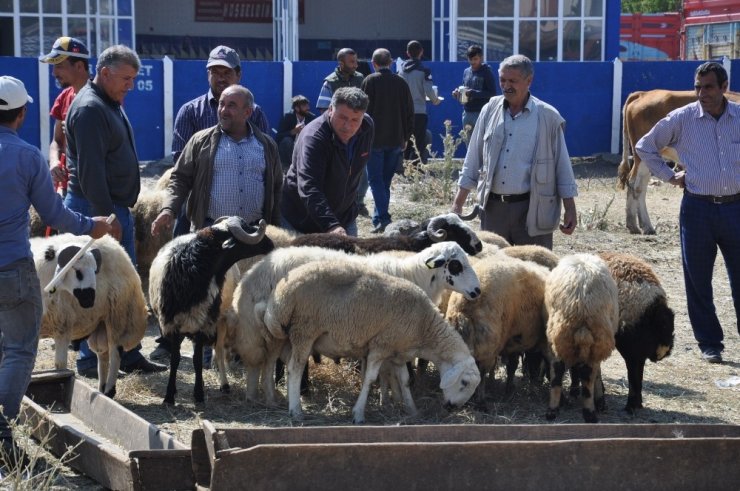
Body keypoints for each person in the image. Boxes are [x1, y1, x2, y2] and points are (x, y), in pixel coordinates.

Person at [0, 75, 112, 470]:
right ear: (23, 113)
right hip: (12, 268)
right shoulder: (28, 157)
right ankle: (1, 432)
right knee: (18, 349)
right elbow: (55, 215)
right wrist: (92, 225)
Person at [64, 45, 167, 376]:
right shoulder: (90, 109)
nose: (130, 86)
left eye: (134, 79)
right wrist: (106, 219)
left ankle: (129, 352)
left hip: (111, 209)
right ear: (105, 73)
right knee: (92, 286)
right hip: (95, 210)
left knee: (122, 285)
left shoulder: (107, 102)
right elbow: (91, 172)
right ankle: (88, 360)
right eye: (126, 78)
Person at [635, 61, 740, 365]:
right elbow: (645, 146)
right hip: (697, 209)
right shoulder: (682, 119)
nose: (701, 93)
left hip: (735, 207)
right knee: (698, 279)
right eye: (697, 87)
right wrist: (669, 175)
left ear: (723, 88)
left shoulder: (738, 118)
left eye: (708, 87)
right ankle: (710, 343)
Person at [451, 54, 578, 250]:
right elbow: (473, 157)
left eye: (513, 81)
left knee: (534, 274)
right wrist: (458, 203)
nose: (506, 86)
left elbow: (562, 165)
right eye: (502, 80)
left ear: (529, 81)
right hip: (493, 211)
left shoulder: (548, 117)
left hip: (532, 210)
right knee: (495, 273)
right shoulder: (489, 110)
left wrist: (570, 208)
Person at [151, 84, 282, 234]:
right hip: (211, 231)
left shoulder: (267, 145)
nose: (223, 111)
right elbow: (180, 178)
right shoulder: (200, 141)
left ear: (247, 112)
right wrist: (168, 209)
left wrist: (275, 227)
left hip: (253, 232)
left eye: (231, 106)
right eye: (221, 104)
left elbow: (276, 187)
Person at [281, 87, 373, 236]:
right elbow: (309, 186)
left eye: (355, 120)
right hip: (301, 221)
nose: (348, 126)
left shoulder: (367, 127)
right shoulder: (314, 137)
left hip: (344, 216)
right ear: (330, 110)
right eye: (342, 117)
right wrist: (331, 225)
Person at [360, 48, 414, 233]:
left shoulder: (369, 81)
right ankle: (380, 217)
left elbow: (361, 111)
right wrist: (405, 137)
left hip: (374, 140)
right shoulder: (401, 82)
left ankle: (383, 218)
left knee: (376, 181)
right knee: (385, 181)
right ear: (390, 62)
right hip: (395, 139)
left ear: (374, 64)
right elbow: (409, 112)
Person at [315, 48, 369, 216]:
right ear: (341, 63)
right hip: (336, 138)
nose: (356, 65)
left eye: (356, 61)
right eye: (352, 62)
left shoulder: (361, 79)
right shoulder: (329, 82)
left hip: (357, 135)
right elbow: (324, 109)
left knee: (362, 175)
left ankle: (357, 202)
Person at [39, 36, 91, 190]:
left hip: (95, 187)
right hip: (69, 186)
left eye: (59, 66)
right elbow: (57, 141)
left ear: (80, 66)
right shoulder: (63, 97)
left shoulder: (103, 98)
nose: (54, 73)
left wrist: (75, 129)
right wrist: (54, 161)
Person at [399, 40, 441, 165]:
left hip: (403, 112)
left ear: (407, 53)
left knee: (405, 141)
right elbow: (429, 91)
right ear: (421, 52)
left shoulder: (400, 71)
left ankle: (404, 168)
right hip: (419, 112)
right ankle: (417, 170)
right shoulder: (424, 71)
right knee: (419, 142)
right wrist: (436, 101)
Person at [452, 45, 497, 135]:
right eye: (470, 59)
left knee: (481, 145)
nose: (473, 62)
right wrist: (458, 94)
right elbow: (465, 89)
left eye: (475, 59)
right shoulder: (466, 71)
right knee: (468, 145)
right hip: (467, 112)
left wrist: (473, 93)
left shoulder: (486, 71)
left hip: (481, 112)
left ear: (481, 58)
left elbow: (492, 93)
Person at [275, 95, 316, 171]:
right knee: (287, 141)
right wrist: (293, 131)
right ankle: (287, 167)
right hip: (290, 150)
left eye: (308, 105)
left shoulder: (311, 118)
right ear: (297, 108)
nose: (308, 108)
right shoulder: (287, 117)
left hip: (304, 149)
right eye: (304, 106)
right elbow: (278, 137)